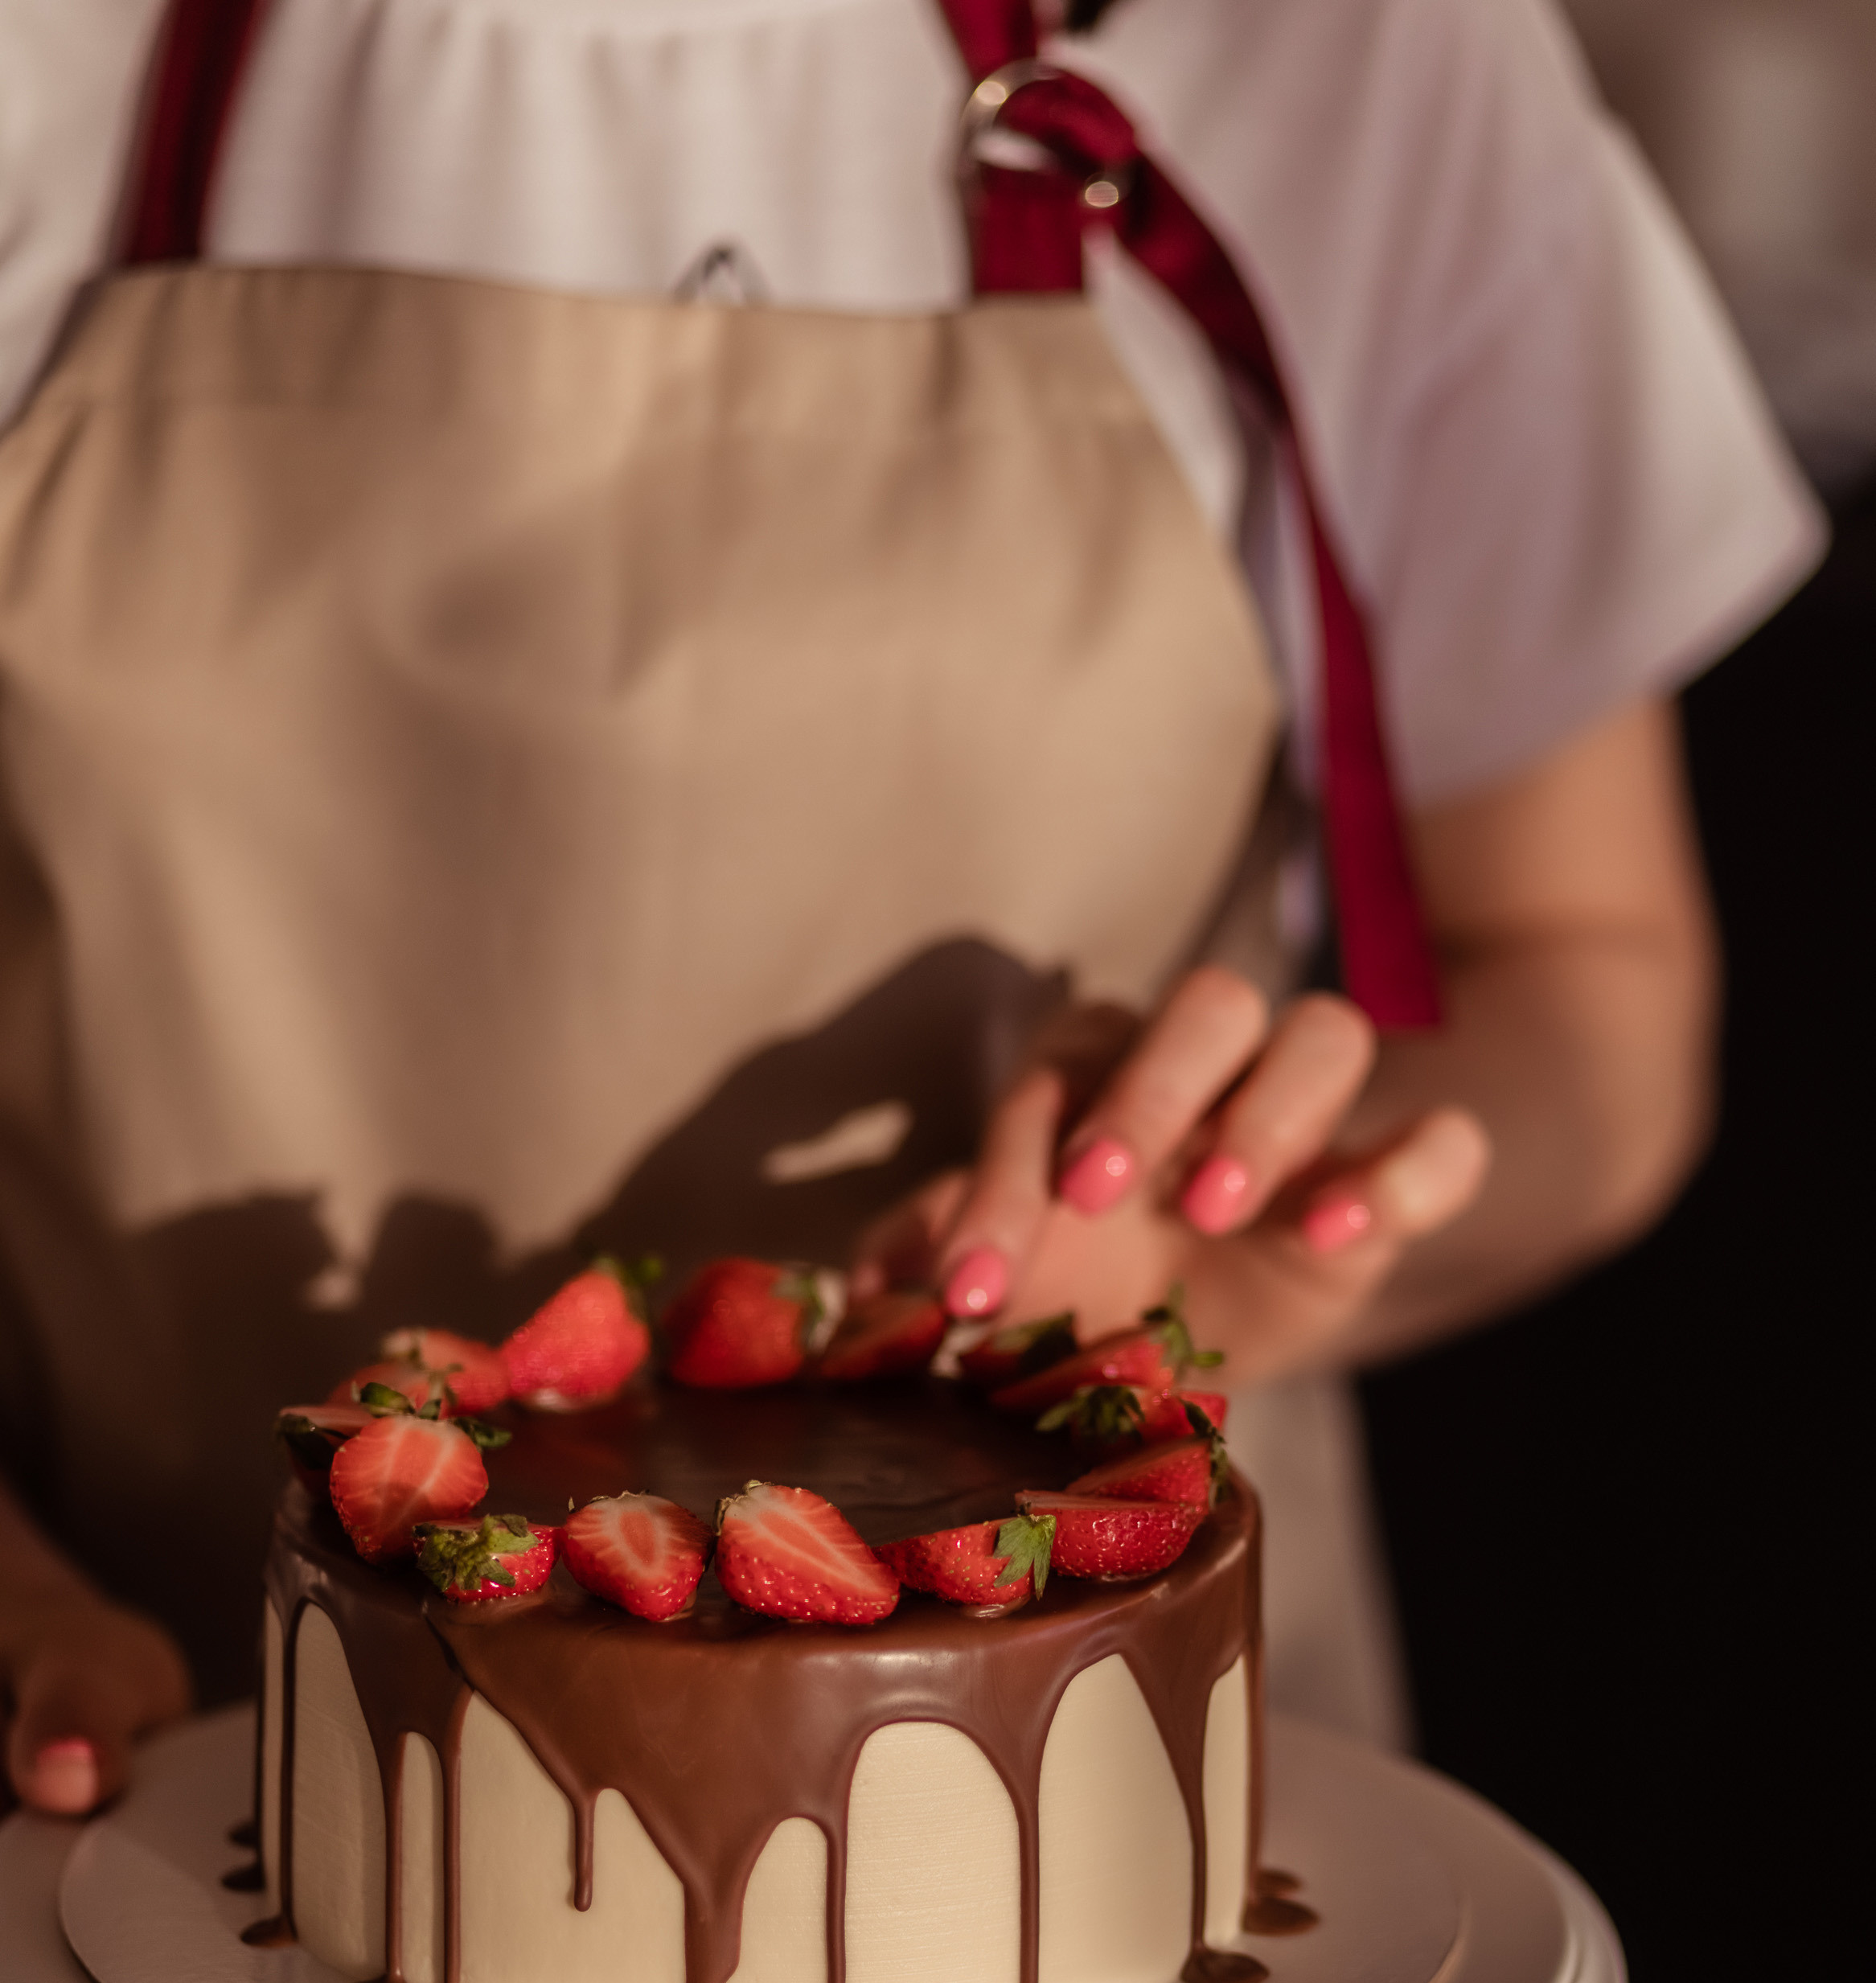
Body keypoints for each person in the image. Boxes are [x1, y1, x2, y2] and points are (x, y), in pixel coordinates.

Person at [0, 0, 1822, 1815]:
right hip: (166, 1818)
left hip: (1110, 1842)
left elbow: (1595, 986)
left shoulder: (1348, 47)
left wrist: (1228, 1273)